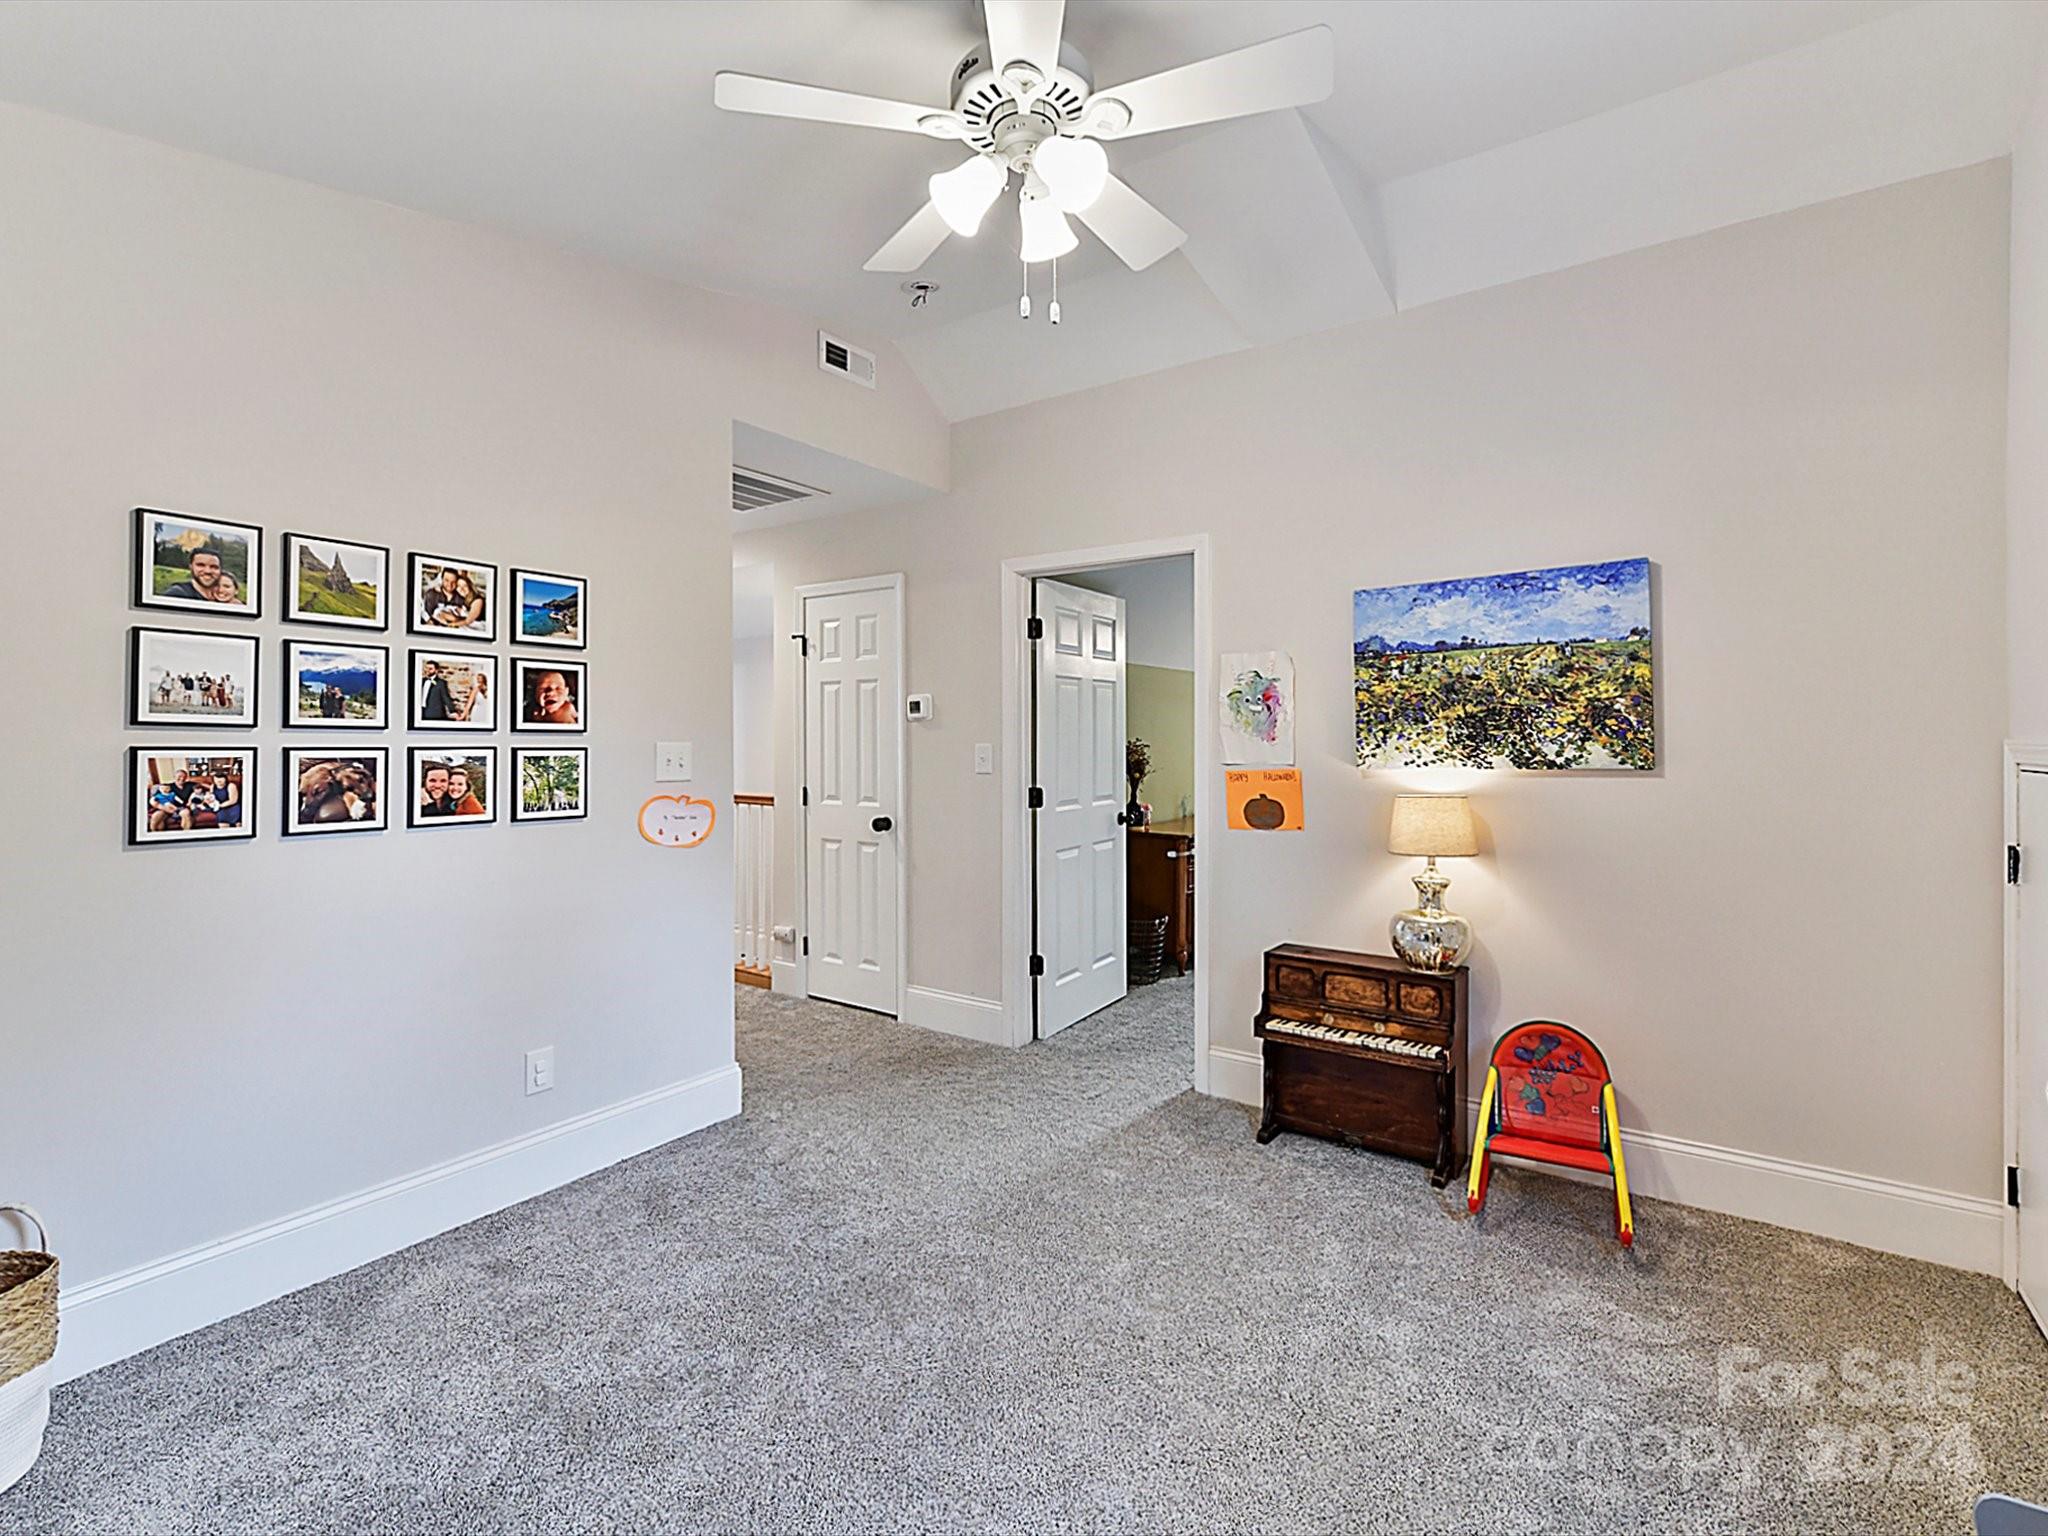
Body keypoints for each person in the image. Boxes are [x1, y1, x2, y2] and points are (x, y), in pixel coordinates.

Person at [160, 547, 230, 603]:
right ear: (191, 567)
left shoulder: (224, 597)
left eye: (214, 567)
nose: (207, 571)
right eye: (201, 565)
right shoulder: (177, 594)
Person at [418, 658, 454, 723]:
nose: (427, 670)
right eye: (426, 668)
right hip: (421, 712)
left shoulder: (441, 683)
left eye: (430, 669)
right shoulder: (420, 681)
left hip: (435, 713)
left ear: (436, 670)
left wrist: (453, 711)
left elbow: (446, 698)